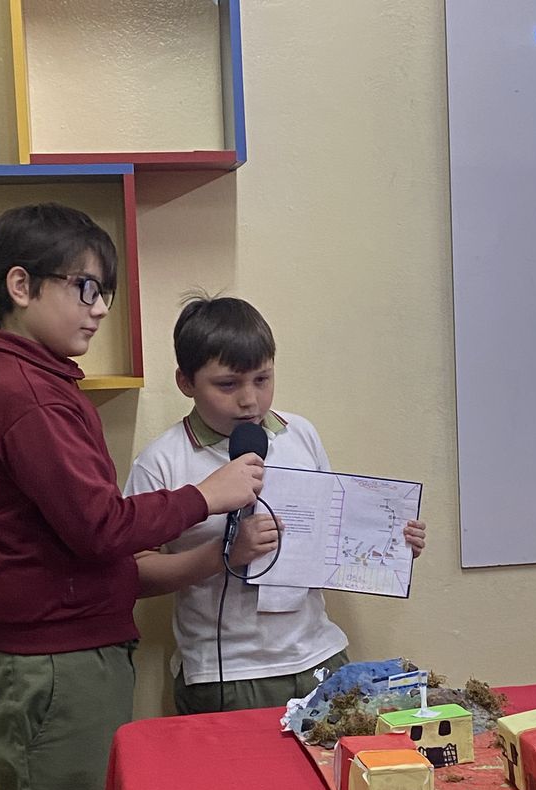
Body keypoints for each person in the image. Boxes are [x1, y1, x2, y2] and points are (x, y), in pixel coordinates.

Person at [0, 205, 264, 790]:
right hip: (53, 670)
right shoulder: (23, 393)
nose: (100, 308)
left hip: (73, 658)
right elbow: (101, 528)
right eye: (84, 287)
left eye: (104, 290)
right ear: (19, 285)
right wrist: (206, 496)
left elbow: (90, 546)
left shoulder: (39, 383)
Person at [125, 294, 426, 714]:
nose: (249, 399)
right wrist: (225, 554)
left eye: (262, 379)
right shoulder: (162, 460)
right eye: (228, 384)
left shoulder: (299, 433)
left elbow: (329, 532)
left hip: (319, 656)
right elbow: (134, 574)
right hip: (227, 674)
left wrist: (390, 541)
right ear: (186, 382)